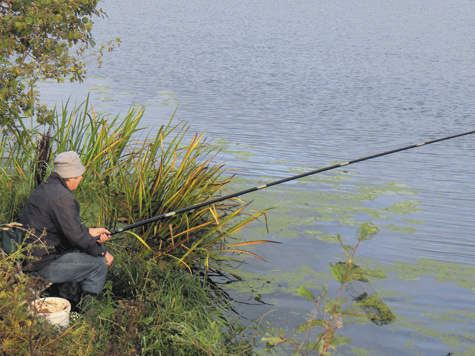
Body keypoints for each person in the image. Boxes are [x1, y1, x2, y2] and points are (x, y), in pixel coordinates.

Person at [20, 151, 113, 305]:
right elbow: (76, 237)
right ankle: (88, 314)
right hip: (41, 265)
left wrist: (90, 232)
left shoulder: (47, 187)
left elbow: (66, 228)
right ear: (70, 177)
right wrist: (103, 252)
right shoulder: (63, 198)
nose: (82, 178)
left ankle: (69, 299)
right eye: (79, 175)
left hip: (33, 256)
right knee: (98, 264)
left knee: (82, 250)